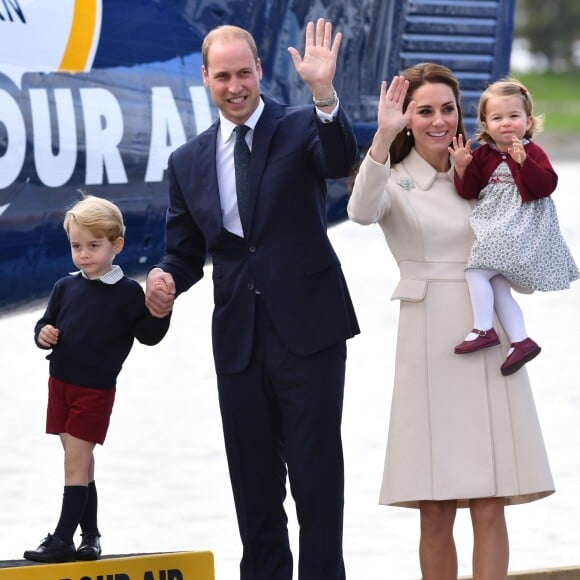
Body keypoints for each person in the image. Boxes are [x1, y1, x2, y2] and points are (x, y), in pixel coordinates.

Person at [144, 19, 359, 580]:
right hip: (238, 338)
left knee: (315, 481)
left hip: (309, 331)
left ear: (260, 71)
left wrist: (324, 94)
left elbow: (338, 161)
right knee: (253, 483)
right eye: (223, 76)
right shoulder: (186, 161)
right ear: (205, 79)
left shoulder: (299, 125)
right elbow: (185, 253)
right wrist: (166, 280)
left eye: (244, 73)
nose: (235, 86)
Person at [347, 64, 554, 580]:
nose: (439, 121)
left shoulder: (494, 171)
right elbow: (360, 211)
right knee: (434, 508)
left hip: (491, 343)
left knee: (489, 501)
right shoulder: (392, 178)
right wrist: (382, 136)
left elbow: (522, 249)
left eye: (447, 109)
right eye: (424, 111)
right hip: (428, 343)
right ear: (407, 119)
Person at [24, 195, 171, 564]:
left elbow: (149, 336)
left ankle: (62, 539)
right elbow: (45, 323)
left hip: (94, 390)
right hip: (59, 385)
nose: (84, 254)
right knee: (83, 464)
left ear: (116, 245)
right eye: (77, 246)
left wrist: (162, 310)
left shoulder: (127, 293)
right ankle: (90, 537)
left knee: (75, 462)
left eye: (94, 245)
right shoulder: (65, 286)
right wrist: (43, 333)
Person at [450, 77, 579, 376]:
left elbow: (546, 186)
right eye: (497, 117)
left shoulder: (532, 151)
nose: (506, 123)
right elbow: (469, 191)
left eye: (514, 116)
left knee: (476, 270)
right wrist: (461, 166)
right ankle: (520, 340)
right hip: (496, 226)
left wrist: (524, 163)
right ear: (485, 122)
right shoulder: (482, 154)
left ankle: (483, 329)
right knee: (497, 284)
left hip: (520, 228)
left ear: (528, 120)